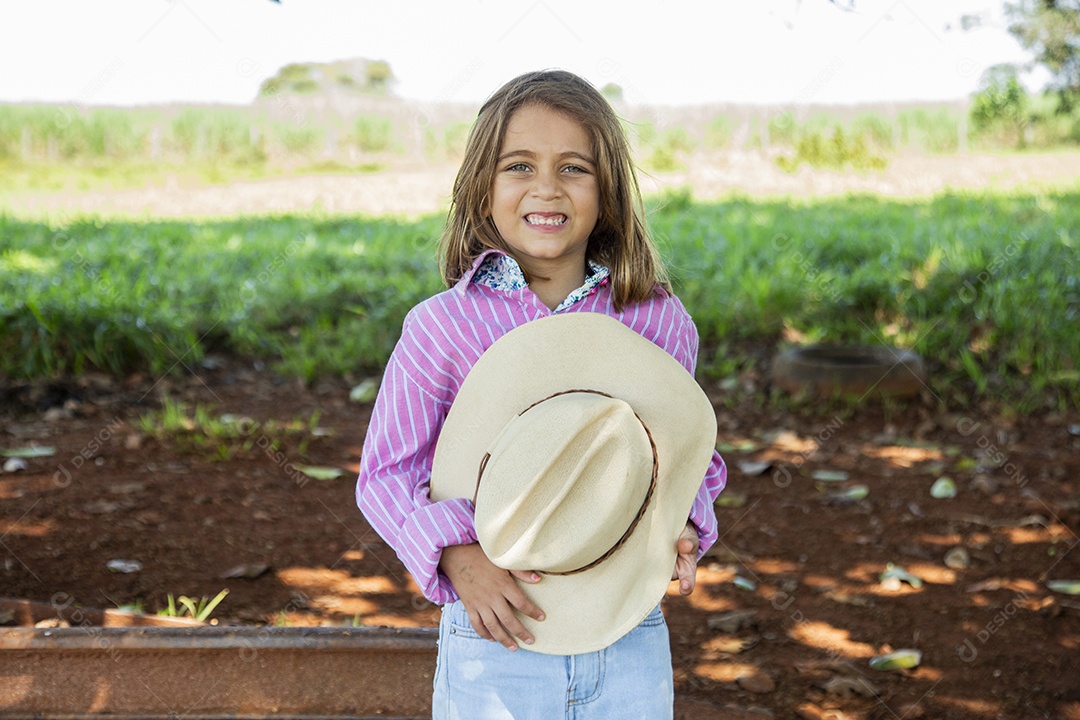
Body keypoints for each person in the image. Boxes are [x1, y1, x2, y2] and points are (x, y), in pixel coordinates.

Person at [356, 69, 727, 719]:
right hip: (494, 631)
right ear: (483, 188)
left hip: (627, 624)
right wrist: (456, 556)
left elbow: (687, 452)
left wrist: (685, 521)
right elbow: (386, 475)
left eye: (574, 168)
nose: (547, 188)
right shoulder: (443, 328)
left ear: (608, 193)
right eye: (519, 166)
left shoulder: (658, 321)